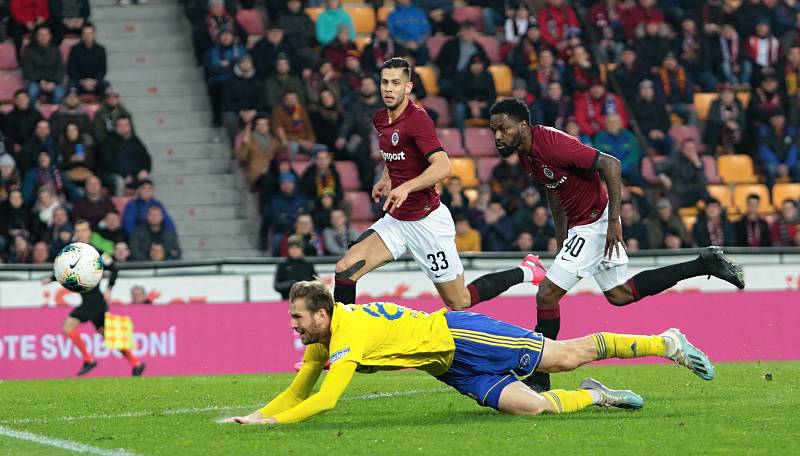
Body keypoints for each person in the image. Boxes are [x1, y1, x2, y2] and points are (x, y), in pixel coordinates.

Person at [487, 98, 745, 392]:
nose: (498, 136)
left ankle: (539, 377)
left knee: (546, 297)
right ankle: (704, 263)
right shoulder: (527, 154)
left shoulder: (553, 144)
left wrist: (613, 221)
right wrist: (562, 238)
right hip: (584, 225)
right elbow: (554, 192)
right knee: (621, 294)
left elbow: (611, 164)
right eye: (494, 130)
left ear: (523, 125)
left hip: (597, 223)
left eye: (503, 129)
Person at [225, 280, 713, 425]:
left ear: (323, 315)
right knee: (534, 406)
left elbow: (326, 401)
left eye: (297, 319)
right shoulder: (325, 337)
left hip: (460, 335)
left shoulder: (346, 331)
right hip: (449, 367)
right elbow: (298, 389)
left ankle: (665, 342)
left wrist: (274, 424)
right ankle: (598, 397)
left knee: (564, 356)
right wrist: (252, 417)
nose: (293, 327)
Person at [333, 58, 545, 313]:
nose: (389, 88)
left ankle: (526, 271)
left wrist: (406, 187)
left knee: (459, 301)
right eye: (385, 82)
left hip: (427, 222)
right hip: (397, 221)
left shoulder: (418, 120)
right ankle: (341, 342)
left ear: (408, 87)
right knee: (345, 270)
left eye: (396, 83)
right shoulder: (381, 118)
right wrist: (387, 178)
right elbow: (398, 151)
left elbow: (443, 166)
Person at [42, 219, 146, 377]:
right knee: (108, 335)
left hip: (94, 300)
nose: (80, 234)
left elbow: (115, 268)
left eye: (83, 230)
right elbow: (69, 272)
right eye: (78, 231)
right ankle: (136, 363)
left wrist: (110, 289)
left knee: (67, 327)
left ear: (89, 232)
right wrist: (52, 278)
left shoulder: (97, 253)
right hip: (91, 301)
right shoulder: (74, 253)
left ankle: (89, 359)